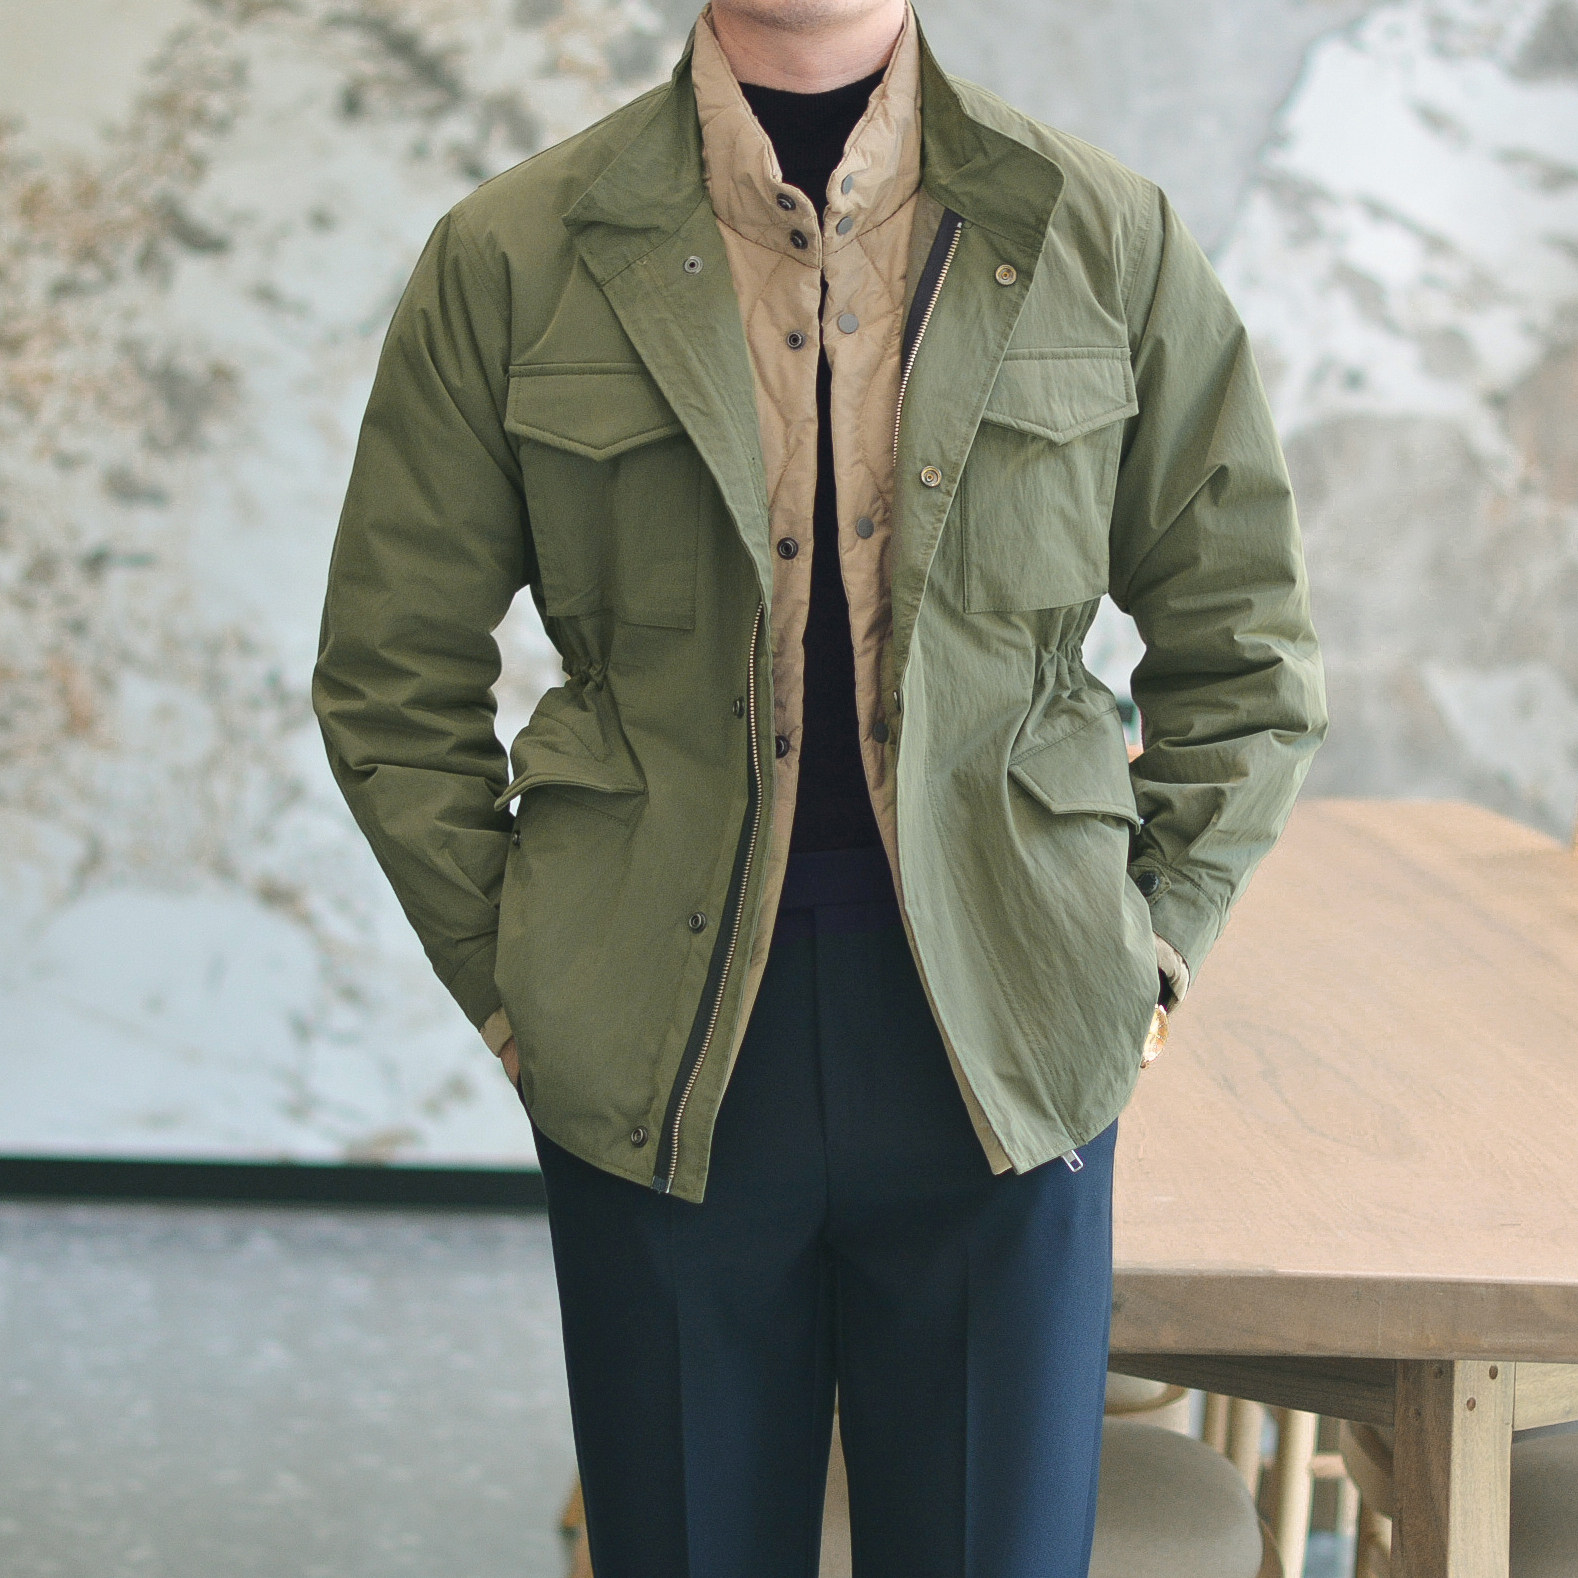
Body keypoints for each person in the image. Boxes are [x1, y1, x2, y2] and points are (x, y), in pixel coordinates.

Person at [312, 0, 1326, 1571]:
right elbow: (387, 669)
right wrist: (514, 981)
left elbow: (1247, 648)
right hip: (652, 1034)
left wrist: (1149, 941)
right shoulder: (513, 251)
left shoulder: (1099, 233)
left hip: (1008, 1024)